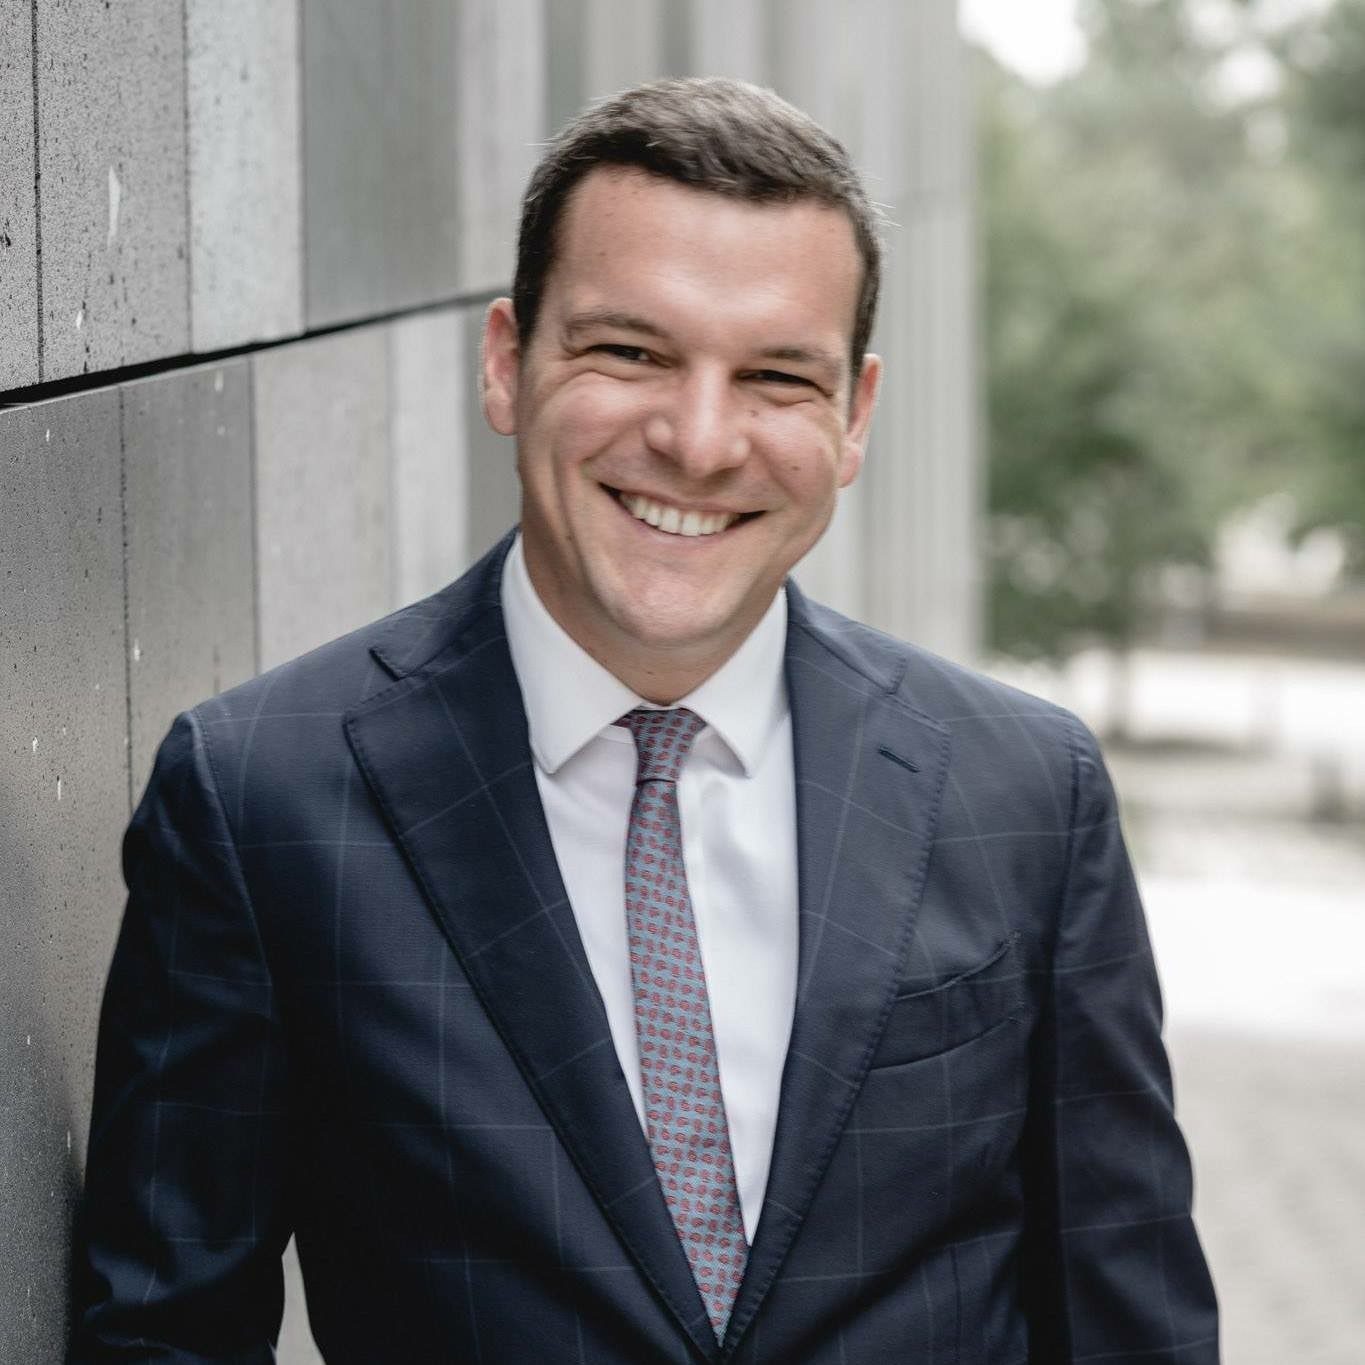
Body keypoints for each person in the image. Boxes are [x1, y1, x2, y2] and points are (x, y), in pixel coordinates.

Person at [71, 78, 1217, 1363]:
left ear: (854, 419)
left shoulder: (1025, 791)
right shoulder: (257, 799)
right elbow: (167, 1336)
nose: (700, 438)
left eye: (778, 376)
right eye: (631, 352)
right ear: (509, 361)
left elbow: (1134, 1315)